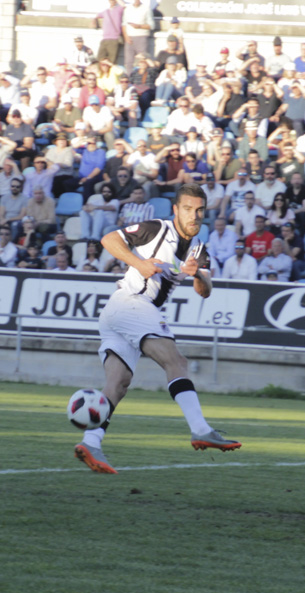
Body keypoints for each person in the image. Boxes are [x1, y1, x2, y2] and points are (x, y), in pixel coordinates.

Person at [75, 183, 241, 474]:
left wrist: (198, 274)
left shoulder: (199, 249)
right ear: (176, 209)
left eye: (200, 210)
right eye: (188, 209)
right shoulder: (156, 228)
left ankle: (90, 442)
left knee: (118, 384)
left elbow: (205, 291)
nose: (194, 215)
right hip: (133, 304)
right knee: (176, 362)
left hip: (118, 312)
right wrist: (139, 263)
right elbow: (109, 239)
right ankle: (200, 428)